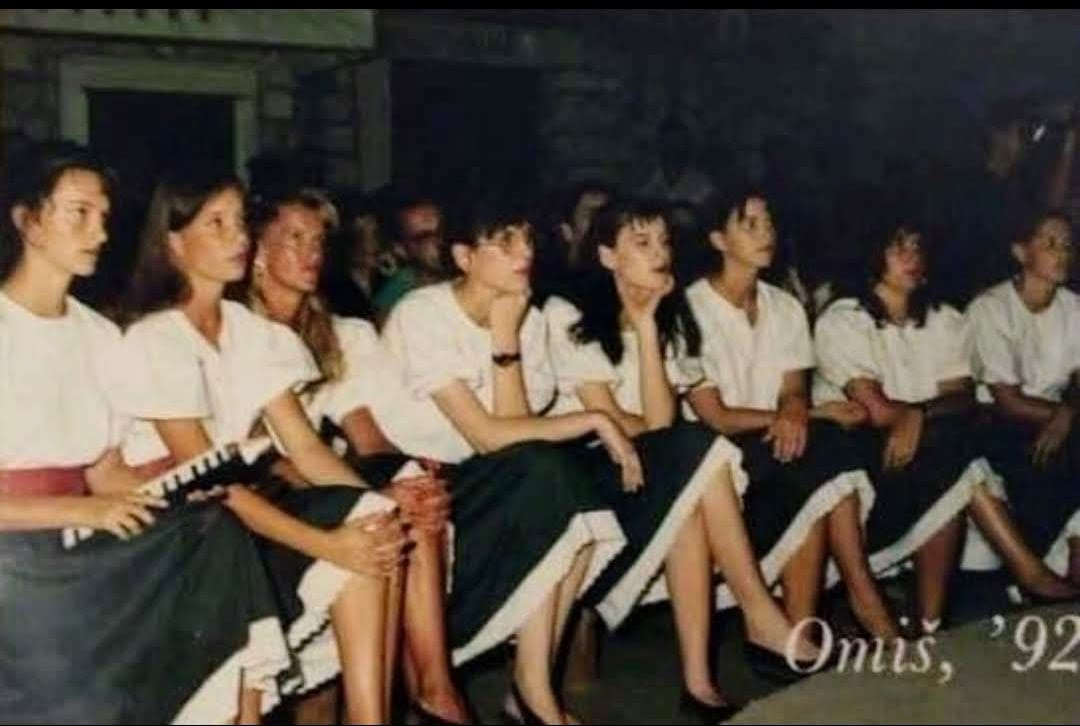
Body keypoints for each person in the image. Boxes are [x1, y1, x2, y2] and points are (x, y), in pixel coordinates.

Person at [0, 142, 292, 724]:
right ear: (27, 220)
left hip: (78, 538)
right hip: (13, 553)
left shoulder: (98, 335)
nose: (100, 232)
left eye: (104, 216)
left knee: (213, 528)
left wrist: (180, 488)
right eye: (79, 213)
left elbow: (106, 472)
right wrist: (82, 511)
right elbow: (86, 502)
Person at [119, 163, 408, 724]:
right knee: (345, 538)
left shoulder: (250, 331)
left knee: (372, 520)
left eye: (239, 223)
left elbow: (307, 449)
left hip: (235, 512)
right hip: (177, 530)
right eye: (216, 224)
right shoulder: (155, 339)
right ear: (173, 243)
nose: (237, 238)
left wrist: (380, 506)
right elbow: (207, 481)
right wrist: (325, 543)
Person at [543, 198, 821, 720]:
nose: (660, 253)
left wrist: (647, 326)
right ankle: (760, 611)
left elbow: (658, 426)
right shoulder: (566, 314)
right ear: (607, 256)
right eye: (642, 243)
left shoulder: (668, 316)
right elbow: (626, 423)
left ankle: (698, 685)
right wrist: (659, 435)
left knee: (689, 505)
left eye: (664, 241)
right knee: (695, 450)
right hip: (586, 470)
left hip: (649, 465)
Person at [380, 195, 634, 724]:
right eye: (505, 242)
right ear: (464, 257)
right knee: (552, 476)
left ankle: (531, 687)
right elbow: (490, 437)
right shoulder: (421, 315)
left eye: (527, 239)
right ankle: (533, 697)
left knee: (575, 505)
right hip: (418, 490)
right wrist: (593, 419)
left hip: (482, 481)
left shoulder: (530, 321)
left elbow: (516, 437)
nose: (525, 253)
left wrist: (507, 334)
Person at [246, 186, 470, 724]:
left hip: (318, 480)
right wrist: (375, 497)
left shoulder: (330, 332)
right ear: (256, 252)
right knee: (379, 505)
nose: (312, 252)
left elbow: (368, 440)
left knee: (407, 480)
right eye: (294, 239)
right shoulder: (240, 332)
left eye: (318, 240)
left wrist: (409, 489)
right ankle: (420, 698)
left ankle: (433, 684)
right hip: (264, 495)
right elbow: (265, 459)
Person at [814, 202, 1078, 634]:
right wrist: (914, 415)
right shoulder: (843, 321)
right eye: (898, 248)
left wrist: (918, 413)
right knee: (952, 452)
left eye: (918, 247)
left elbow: (961, 396)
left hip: (927, 453)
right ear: (872, 253)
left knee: (952, 453)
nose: (912, 257)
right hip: (862, 466)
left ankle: (931, 622)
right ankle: (1029, 573)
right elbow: (876, 411)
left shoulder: (943, 318)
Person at [685, 185, 900, 639]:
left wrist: (798, 411)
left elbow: (794, 389)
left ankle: (803, 628)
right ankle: (860, 600)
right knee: (820, 451)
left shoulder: (783, 306)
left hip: (776, 440)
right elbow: (715, 416)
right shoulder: (690, 308)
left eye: (769, 223)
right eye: (750, 225)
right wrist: (807, 416)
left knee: (822, 457)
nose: (767, 234)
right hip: (715, 455)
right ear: (719, 240)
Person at [968, 204, 1080, 587]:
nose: (1062, 253)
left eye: (1067, 244)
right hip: (999, 422)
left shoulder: (1073, 307)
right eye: (1050, 243)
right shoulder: (991, 309)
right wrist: (1066, 416)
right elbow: (1008, 401)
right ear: (1021, 252)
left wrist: (1068, 411)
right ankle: (1037, 572)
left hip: (1056, 418)